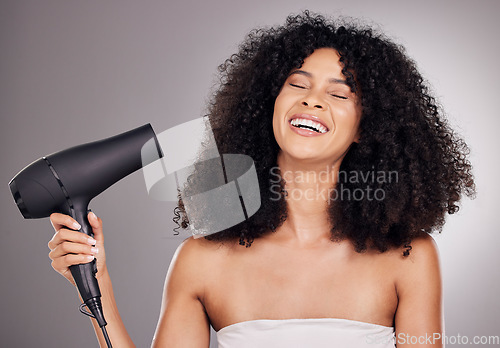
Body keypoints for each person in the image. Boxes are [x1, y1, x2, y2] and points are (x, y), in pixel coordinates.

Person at [47, 11, 475, 347]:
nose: (312, 99)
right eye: (297, 84)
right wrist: (98, 282)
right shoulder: (203, 260)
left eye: (340, 93)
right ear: (268, 104)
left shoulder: (407, 257)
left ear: (368, 126)